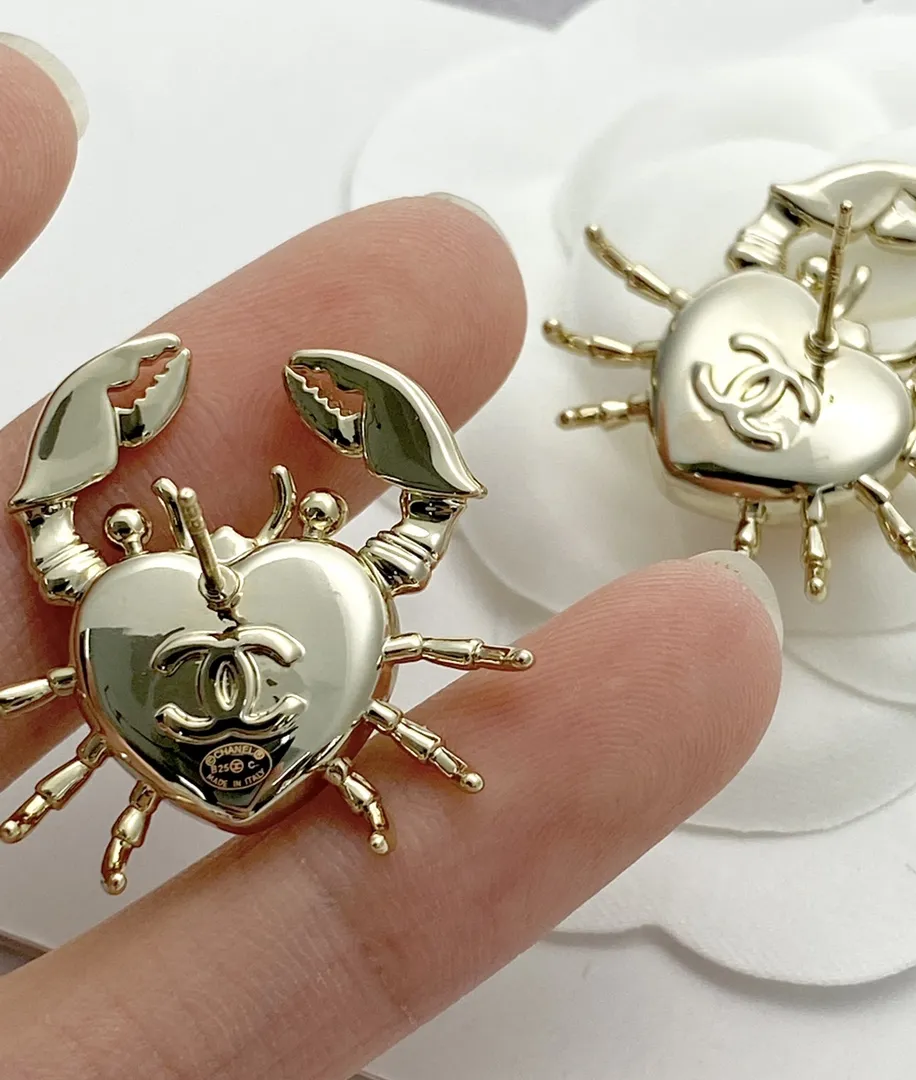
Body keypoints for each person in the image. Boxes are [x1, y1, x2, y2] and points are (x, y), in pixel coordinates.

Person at [0, 37, 781, 1079]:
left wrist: (65, 516)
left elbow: (53, 534)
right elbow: (422, 520)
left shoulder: (182, 602)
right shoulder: (308, 593)